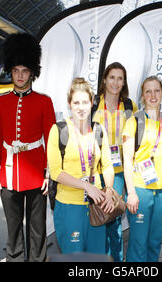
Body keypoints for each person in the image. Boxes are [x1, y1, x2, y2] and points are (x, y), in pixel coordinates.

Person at [0, 33, 56, 262]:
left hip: (37, 173)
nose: (19, 75)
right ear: (11, 71)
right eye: (16, 70)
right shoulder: (0, 102)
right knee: (13, 228)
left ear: (32, 73)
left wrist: (49, 173)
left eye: (24, 71)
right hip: (9, 174)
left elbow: (52, 141)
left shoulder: (44, 101)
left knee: (37, 229)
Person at [48, 77, 115, 255]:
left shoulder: (99, 130)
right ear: (69, 104)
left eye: (85, 102)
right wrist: (86, 186)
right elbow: (56, 172)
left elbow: (107, 165)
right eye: (76, 102)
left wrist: (108, 191)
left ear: (92, 102)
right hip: (69, 207)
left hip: (97, 205)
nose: (81, 107)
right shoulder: (59, 130)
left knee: (96, 256)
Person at [122, 76, 162, 262]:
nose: (153, 95)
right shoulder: (134, 121)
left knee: (154, 242)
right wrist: (132, 192)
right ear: (142, 95)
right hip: (140, 191)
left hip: (161, 192)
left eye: (156, 91)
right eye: (148, 91)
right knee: (138, 243)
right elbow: (127, 159)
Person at [92, 62, 138, 261]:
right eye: (112, 77)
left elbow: (137, 136)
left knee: (114, 220)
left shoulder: (129, 106)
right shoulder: (93, 105)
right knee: (97, 220)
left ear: (124, 82)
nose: (115, 82)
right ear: (104, 79)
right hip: (96, 171)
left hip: (119, 171)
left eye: (120, 78)